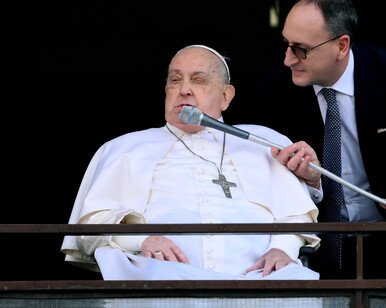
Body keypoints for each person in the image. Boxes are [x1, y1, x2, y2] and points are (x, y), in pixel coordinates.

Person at [60, 44, 321, 281]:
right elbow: (89, 227)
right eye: (175, 80)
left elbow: (296, 213)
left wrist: (282, 249)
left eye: (198, 80)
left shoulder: (265, 142)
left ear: (225, 97)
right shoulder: (124, 148)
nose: (184, 89)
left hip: (262, 279)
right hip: (159, 279)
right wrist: (141, 239)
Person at [259, 0, 386, 279]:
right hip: (316, 251)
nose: (288, 59)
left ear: (342, 46)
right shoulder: (275, 89)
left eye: (301, 49)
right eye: (286, 44)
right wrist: (311, 182)